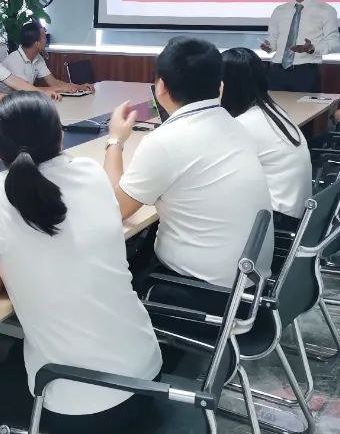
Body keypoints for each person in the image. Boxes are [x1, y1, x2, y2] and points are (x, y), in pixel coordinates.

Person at [0, 92, 162, 434]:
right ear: (60, 138)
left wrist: (4, 275)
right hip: (149, 378)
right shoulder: (91, 173)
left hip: (88, 409)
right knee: (16, 354)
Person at [103, 37, 273, 289]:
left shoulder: (166, 141)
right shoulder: (236, 126)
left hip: (204, 291)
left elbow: (114, 210)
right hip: (250, 283)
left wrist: (115, 139)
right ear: (220, 87)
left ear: (161, 87)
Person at [222, 48, 312, 232]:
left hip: (276, 221)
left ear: (227, 86)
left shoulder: (244, 124)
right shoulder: (272, 110)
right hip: (296, 213)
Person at [261, 0, 340, 93]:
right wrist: (268, 46)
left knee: (305, 106)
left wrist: (311, 48)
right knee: (274, 106)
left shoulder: (326, 11)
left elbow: (334, 43)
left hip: (305, 72)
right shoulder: (280, 10)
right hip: (276, 70)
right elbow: (273, 40)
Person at [2, 21, 94, 95]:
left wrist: (79, 87)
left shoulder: (38, 58)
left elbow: (53, 82)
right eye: (44, 37)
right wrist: (59, 89)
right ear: (36, 43)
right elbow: (26, 90)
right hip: (8, 104)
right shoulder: (14, 60)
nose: (46, 40)